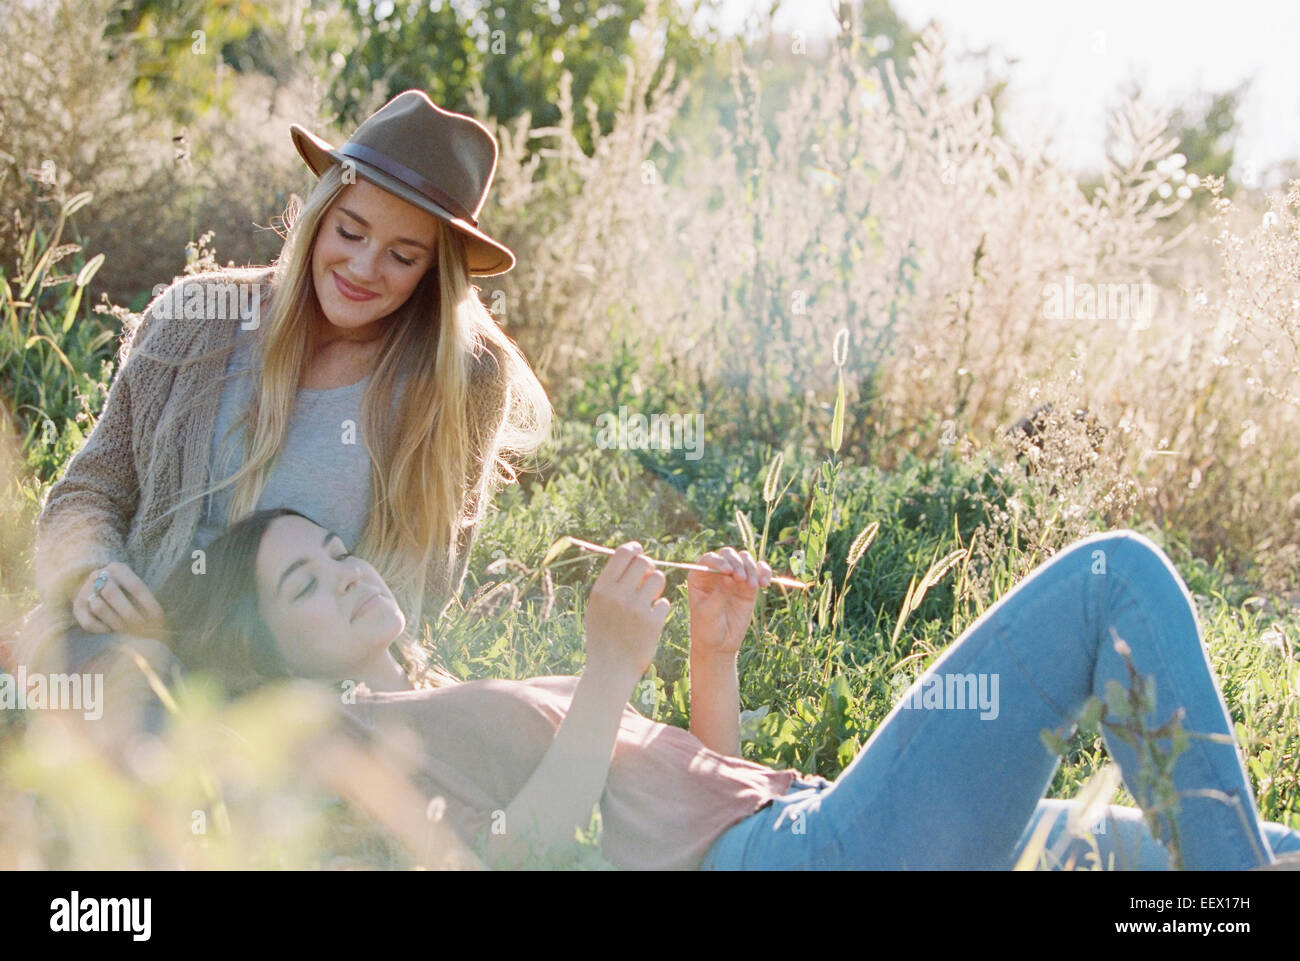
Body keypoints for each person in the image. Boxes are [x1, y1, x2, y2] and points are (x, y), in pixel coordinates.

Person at [154, 506, 1300, 870]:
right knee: (1111, 576)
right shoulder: (346, 735)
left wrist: (711, 656)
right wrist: (606, 667)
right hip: (808, 856)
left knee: (1263, 848)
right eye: (304, 583)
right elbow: (526, 854)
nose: (347, 575)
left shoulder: (434, 689)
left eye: (335, 550)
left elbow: (692, 803)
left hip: (804, 823)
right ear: (266, 653)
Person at [10, 90, 550, 678]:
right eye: (350, 231)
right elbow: (90, 489)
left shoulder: (463, 379)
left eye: (402, 255)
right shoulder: (196, 316)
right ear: (320, 218)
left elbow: (422, 585)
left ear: (433, 272)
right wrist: (93, 572)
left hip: (303, 685)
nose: (364, 268)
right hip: (130, 648)